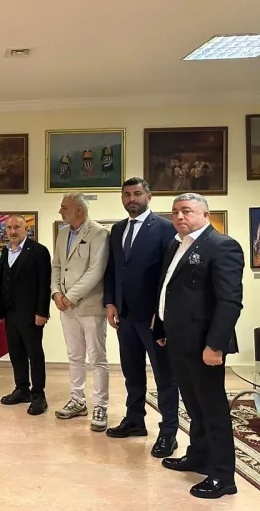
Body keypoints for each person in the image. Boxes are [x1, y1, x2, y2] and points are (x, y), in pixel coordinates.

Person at [156, 193, 243, 499]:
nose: (179, 216)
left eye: (187, 211)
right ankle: (199, 455)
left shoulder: (222, 246)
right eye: (175, 212)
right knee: (193, 405)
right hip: (178, 340)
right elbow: (169, 289)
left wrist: (215, 346)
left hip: (204, 344)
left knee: (212, 408)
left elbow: (230, 301)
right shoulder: (176, 244)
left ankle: (223, 475)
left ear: (205, 215)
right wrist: (162, 327)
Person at [103, 178, 179, 457]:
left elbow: (169, 274)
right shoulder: (118, 229)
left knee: (164, 376)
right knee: (132, 372)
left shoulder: (165, 228)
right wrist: (110, 302)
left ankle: (168, 432)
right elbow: (113, 269)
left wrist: (160, 315)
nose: (131, 199)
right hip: (125, 315)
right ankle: (135, 420)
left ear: (149, 196)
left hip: (153, 317)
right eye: (126, 195)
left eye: (137, 194)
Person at [51, 193, 110, 431]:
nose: (60, 211)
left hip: (90, 306)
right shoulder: (63, 233)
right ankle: (77, 400)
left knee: (97, 359)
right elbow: (56, 265)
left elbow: (96, 271)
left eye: (64, 207)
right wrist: (56, 293)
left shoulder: (99, 233)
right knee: (74, 356)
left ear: (79, 210)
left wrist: (70, 297)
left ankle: (101, 406)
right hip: (66, 307)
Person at [0, 214, 51, 415]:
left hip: (31, 314)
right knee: (16, 352)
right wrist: (0, 309)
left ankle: (38, 395)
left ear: (26, 229)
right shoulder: (5, 251)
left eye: (17, 227)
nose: (12, 231)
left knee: (34, 354)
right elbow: (2, 281)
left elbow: (44, 284)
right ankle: (22, 389)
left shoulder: (38, 251)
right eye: (9, 228)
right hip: (10, 314)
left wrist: (42, 312)